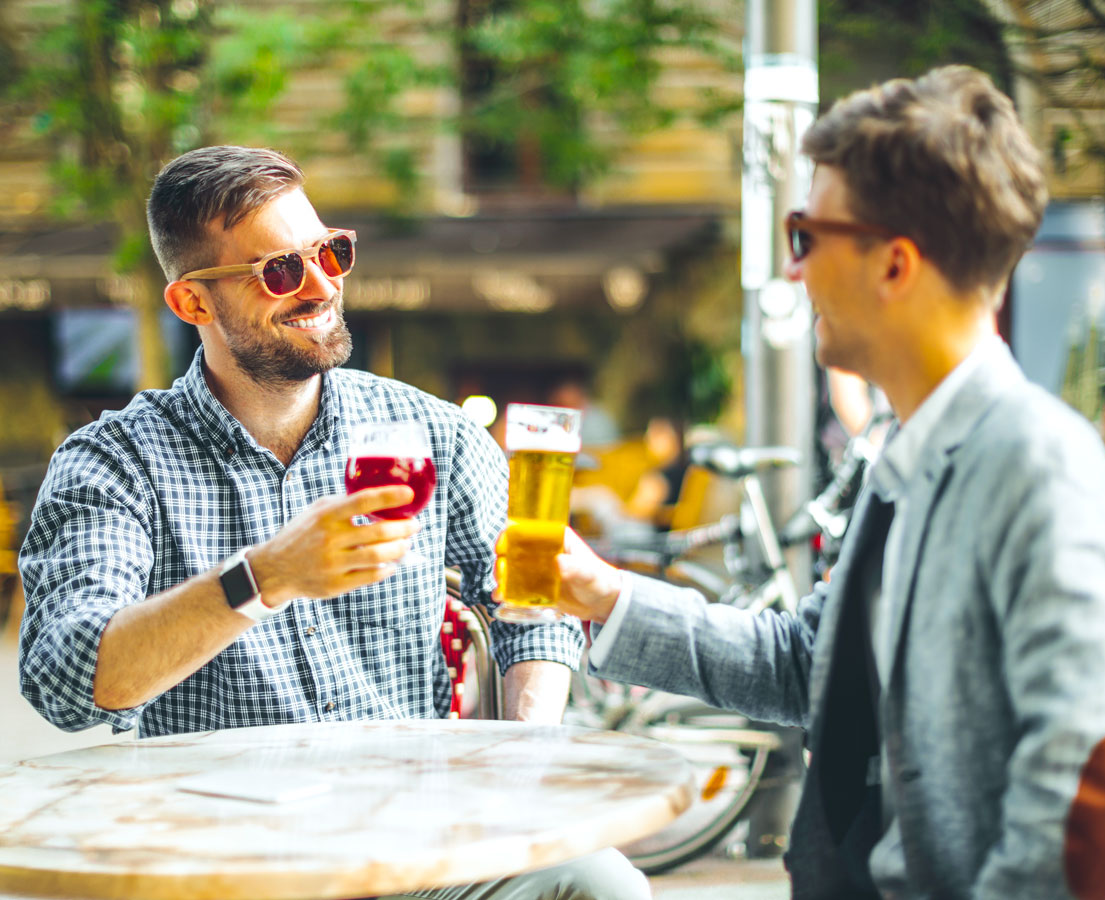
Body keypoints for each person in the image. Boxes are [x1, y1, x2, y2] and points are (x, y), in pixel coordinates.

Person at [551, 67, 1105, 899]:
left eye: (806, 237)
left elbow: (1104, 795)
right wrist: (606, 596)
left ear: (894, 265)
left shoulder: (1034, 461)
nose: (795, 272)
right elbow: (816, 666)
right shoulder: (910, 455)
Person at [17, 146, 649, 900]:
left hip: (421, 844)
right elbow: (66, 681)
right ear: (191, 304)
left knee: (601, 883)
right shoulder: (116, 462)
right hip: (224, 863)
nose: (321, 285)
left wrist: (524, 750)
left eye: (331, 252)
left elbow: (531, 602)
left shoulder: (433, 432)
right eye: (280, 271)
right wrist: (266, 576)